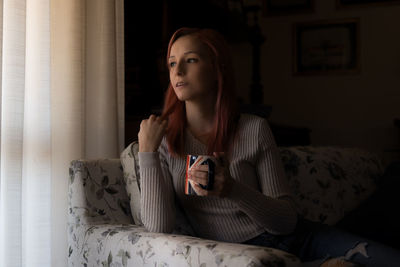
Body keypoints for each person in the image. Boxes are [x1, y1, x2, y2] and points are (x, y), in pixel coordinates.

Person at [137, 27, 400, 266]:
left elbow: (286, 220)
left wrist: (232, 189)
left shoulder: (254, 128)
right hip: (250, 256)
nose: (177, 71)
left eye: (190, 60)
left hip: (301, 237)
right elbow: (158, 228)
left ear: (218, 68)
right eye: (172, 63)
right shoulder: (163, 140)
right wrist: (147, 152)